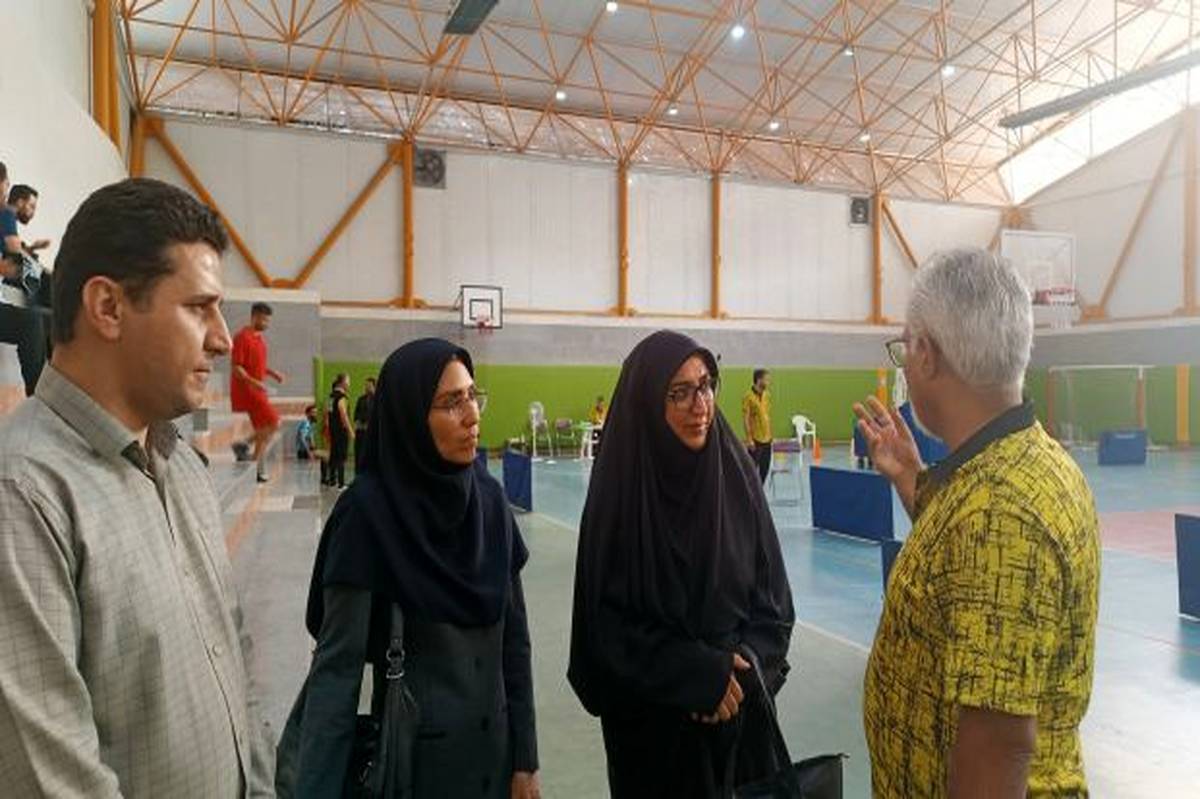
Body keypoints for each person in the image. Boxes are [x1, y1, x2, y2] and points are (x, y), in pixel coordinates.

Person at [0, 177, 274, 796]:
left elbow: (234, 661)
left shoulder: (182, 467)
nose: (222, 338)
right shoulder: (24, 496)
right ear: (108, 307)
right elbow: (54, 783)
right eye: (198, 307)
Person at [854, 247, 1100, 798]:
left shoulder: (1001, 513)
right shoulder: (1014, 466)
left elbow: (996, 748)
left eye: (905, 348)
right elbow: (965, 575)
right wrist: (911, 478)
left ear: (926, 354)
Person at [281, 338, 539, 798]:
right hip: (411, 772)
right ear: (409, 416)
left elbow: (514, 643)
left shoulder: (489, 503)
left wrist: (525, 761)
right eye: (451, 402)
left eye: (473, 396)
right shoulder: (368, 517)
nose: (472, 416)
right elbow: (337, 676)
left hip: (495, 765)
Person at [568, 330, 795, 798]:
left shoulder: (737, 480)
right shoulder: (620, 500)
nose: (701, 405)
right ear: (647, 403)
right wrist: (693, 675)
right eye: (679, 392)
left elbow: (774, 604)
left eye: (706, 385)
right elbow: (603, 629)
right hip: (655, 746)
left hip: (741, 735)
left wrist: (739, 673)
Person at [0, 183, 52, 395]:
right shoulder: (7, 214)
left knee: (46, 319)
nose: (32, 212)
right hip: (9, 291)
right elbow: (14, 251)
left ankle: (48, 387)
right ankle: (40, 393)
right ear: (20, 202)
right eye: (31, 206)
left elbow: (14, 253)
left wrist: (31, 250)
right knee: (34, 318)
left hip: (7, 290)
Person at [230, 301, 285, 482]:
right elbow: (237, 368)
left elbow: (257, 366)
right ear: (254, 317)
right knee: (274, 422)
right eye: (263, 320)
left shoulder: (259, 340)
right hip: (248, 391)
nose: (266, 324)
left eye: (268, 320)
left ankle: (256, 468)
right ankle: (244, 444)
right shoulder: (242, 337)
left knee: (263, 430)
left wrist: (272, 373)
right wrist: (256, 383)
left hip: (257, 390)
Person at [742, 368, 773, 484]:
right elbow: (746, 419)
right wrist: (749, 439)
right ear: (759, 380)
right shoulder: (748, 397)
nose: (768, 382)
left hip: (767, 440)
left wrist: (770, 434)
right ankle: (749, 493)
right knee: (751, 471)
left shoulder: (766, 395)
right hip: (755, 441)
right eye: (766, 379)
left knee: (764, 470)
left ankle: (759, 492)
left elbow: (766, 416)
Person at [325, 372, 353, 489]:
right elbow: (343, 415)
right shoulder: (342, 397)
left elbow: (328, 414)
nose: (349, 384)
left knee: (334, 455)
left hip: (333, 430)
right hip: (341, 431)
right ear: (342, 383)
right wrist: (350, 431)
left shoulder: (331, 396)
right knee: (341, 456)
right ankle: (341, 483)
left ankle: (332, 481)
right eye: (348, 381)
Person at [352, 375, 376, 473]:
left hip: (372, 432)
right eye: (366, 385)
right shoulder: (361, 399)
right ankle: (358, 472)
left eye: (369, 386)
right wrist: (357, 423)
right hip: (361, 431)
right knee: (359, 453)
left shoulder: (378, 400)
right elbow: (356, 414)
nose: (366, 387)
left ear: (374, 386)